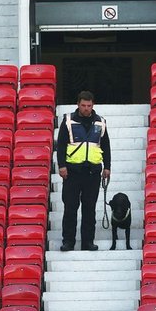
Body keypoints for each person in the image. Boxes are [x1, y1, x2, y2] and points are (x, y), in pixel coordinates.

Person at [56, 91, 111, 251]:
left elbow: (106, 146)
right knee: (70, 209)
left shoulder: (101, 122)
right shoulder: (68, 121)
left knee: (89, 209)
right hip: (72, 172)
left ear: (93, 105)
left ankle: (88, 242)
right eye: (83, 105)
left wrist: (107, 167)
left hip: (93, 173)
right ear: (78, 104)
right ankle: (68, 242)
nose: (86, 109)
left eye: (89, 106)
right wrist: (61, 166)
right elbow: (60, 145)